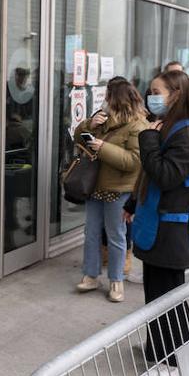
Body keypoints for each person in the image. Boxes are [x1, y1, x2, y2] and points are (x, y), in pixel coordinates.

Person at [132, 69, 189, 376]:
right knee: (156, 292)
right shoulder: (170, 128)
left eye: (156, 91)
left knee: (169, 296)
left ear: (177, 94)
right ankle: (157, 348)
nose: (150, 97)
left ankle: (174, 359)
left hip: (174, 231)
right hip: (159, 228)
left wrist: (148, 139)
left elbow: (166, 175)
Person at [74, 77, 148, 300]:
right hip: (95, 185)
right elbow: (77, 139)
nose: (104, 99)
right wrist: (88, 125)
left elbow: (134, 161)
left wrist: (103, 148)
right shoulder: (103, 119)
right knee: (91, 233)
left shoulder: (138, 125)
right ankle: (90, 275)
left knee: (116, 235)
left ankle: (116, 281)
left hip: (119, 189)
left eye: (107, 94)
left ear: (117, 98)